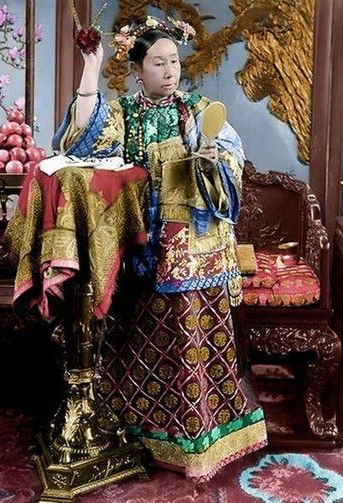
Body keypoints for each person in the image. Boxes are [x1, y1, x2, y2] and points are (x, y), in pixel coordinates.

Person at [52, 15, 267, 483]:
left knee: (188, 341)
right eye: (158, 62)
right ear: (137, 70)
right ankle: (134, 436)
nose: (170, 70)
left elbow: (230, 158)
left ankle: (198, 440)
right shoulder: (123, 113)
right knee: (134, 341)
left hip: (190, 246)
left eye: (174, 61)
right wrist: (91, 70)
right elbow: (75, 140)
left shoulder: (198, 109)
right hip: (136, 243)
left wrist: (212, 158)